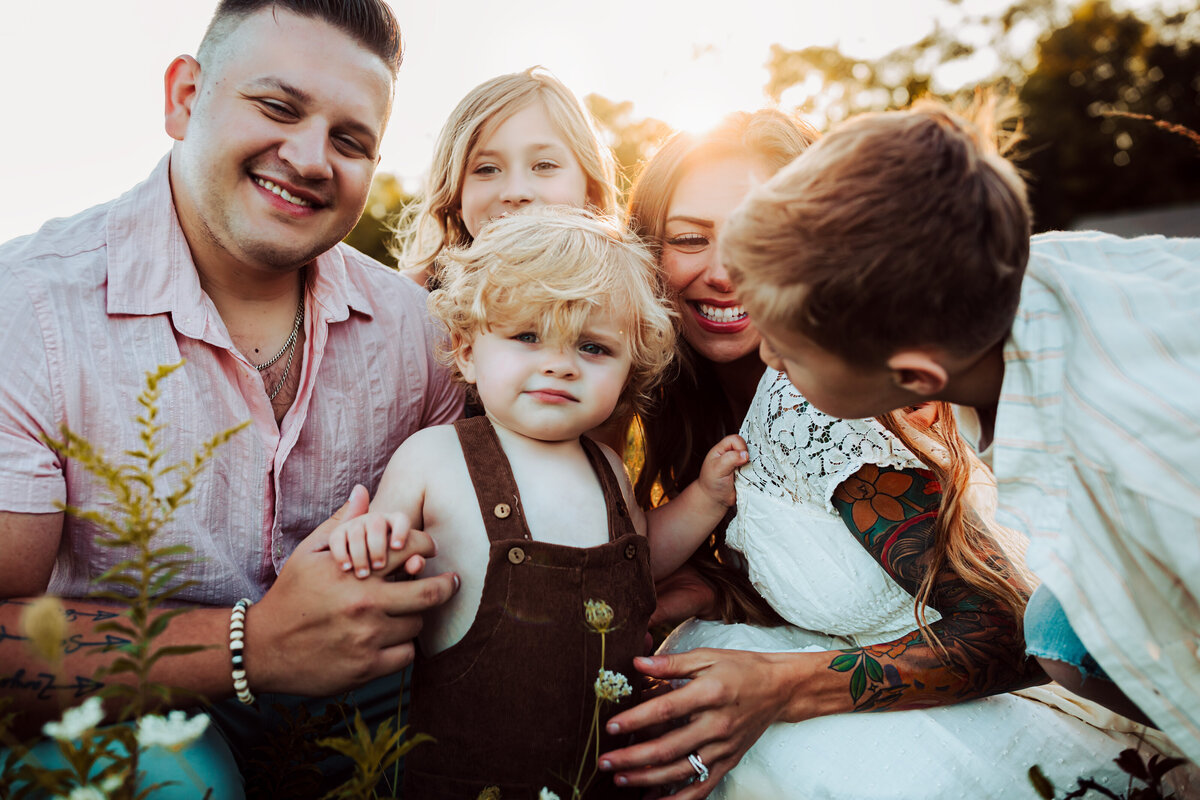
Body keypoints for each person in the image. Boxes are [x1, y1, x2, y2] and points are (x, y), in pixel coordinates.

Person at [594, 110, 1191, 797]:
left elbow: (1018, 628)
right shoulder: (673, 397)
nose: (728, 272)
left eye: (760, 237)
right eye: (690, 238)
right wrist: (720, 584)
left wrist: (781, 686)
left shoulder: (826, 396)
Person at [0, 1, 461, 795]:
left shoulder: (419, 331)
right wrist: (254, 646)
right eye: (278, 106)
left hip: (367, 725)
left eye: (351, 141)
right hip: (128, 731)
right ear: (184, 97)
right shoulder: (29, 312)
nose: (311, 159)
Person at [327, 207, 747, 797]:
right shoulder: (435, 456)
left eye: (593, 348)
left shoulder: (607, 469)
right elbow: (378, 562)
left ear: (629, 373)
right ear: (467, 350)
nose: (559, 364)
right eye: (527, 336)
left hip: (605, 774)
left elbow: (642, 562)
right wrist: (367, 541)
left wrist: (704, 497)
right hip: (467, 777)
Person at [397, 67, 620, 290]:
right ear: (456, 198)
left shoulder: (625, 295)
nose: (515, 192)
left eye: (544, 165)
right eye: (487, 169)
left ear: (590, 190)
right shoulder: (412, 300)